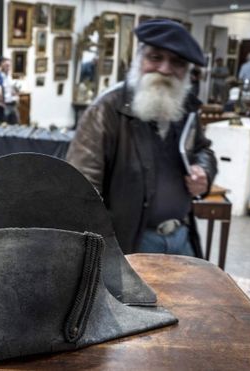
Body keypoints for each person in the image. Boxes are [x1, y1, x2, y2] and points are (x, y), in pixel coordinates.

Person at [65, 19, 217, 257]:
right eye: (156, 58)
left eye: (176, 62)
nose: (165, 69)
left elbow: (203, 149)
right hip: (129, 245)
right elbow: (81, 189)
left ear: (187, 71)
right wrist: (100, 254)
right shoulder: (107, 110)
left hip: (182, 237)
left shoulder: (186, 107)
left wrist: (204, 172)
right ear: (139, 59)